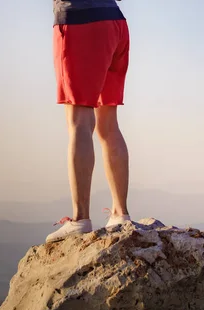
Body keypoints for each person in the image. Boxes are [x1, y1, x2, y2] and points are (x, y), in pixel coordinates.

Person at [46, 0, 131, 243]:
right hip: (115, 22)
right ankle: (119, 213)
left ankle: (80, 218)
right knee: (108, 124)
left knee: (79, 121)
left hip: (79, 22)